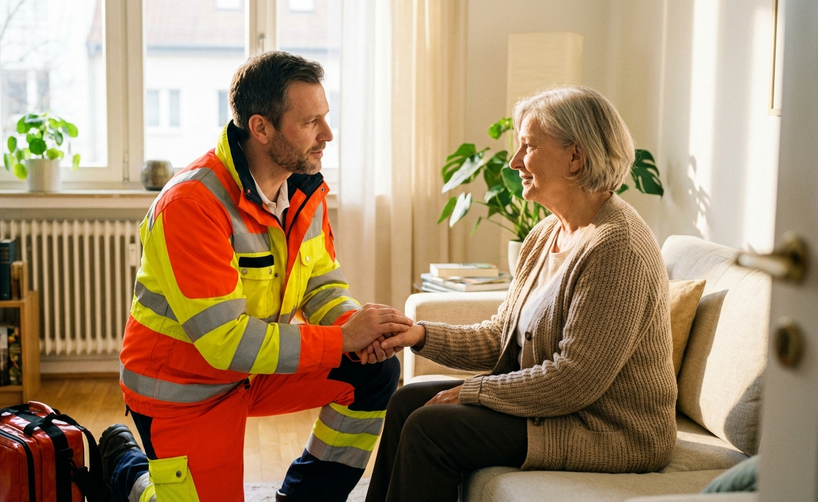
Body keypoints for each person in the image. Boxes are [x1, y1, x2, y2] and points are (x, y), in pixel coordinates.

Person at [99, 51, 410, 502]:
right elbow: (225, 341)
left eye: (325, 118)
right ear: (260, 127)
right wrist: (342, 340)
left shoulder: (304, 188)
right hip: (185, 389)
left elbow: (321, 284)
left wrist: (356, 330)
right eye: (310, 123)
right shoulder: (192, 205)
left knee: (375, 369)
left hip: (254, 370)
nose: (327, 135)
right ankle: (129, 470)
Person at [364, 85, 678, 502]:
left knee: (430, 428)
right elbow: (501, 337)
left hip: (609, 427)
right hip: (563, 409)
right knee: (407, 402)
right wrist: (419, 335)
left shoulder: (617, 246)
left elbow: (574, 380)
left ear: (575, 157)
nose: (514, 162)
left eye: (528, 147)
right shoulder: (546, 233)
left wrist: (473, 391)